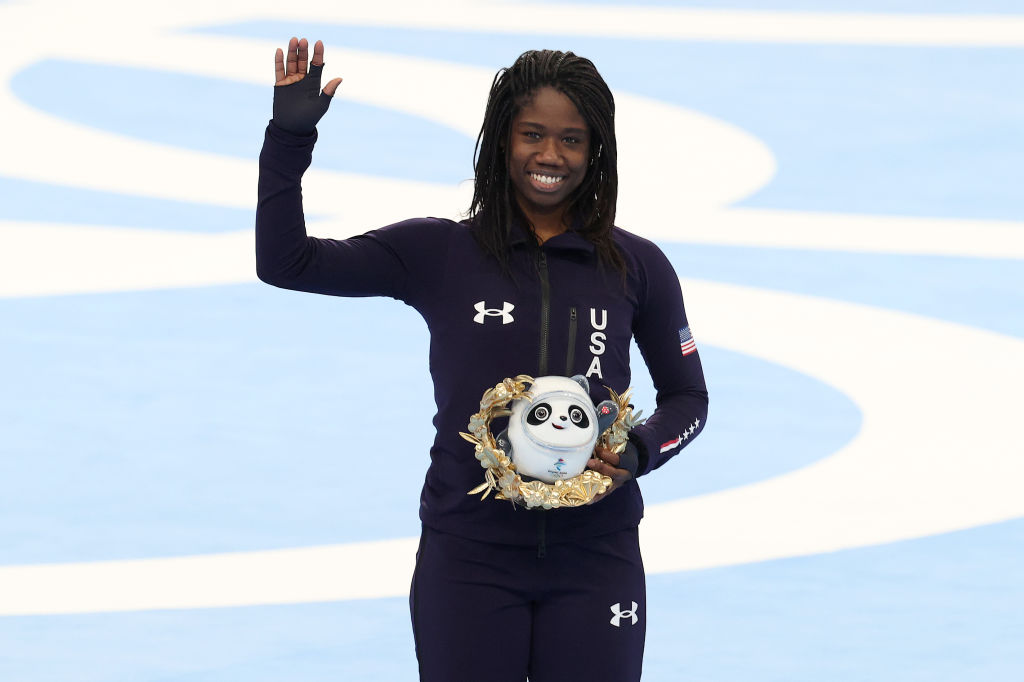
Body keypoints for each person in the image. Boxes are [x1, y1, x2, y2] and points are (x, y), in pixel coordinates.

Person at [256, 36, 708, 682]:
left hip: (596, 559)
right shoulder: (440, 254)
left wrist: (640, 451)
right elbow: (286, 262)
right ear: (503, 141)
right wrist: (288, 140)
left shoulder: (638, 268)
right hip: (469, 560)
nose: (550, 155)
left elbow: (690, 398)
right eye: (532, 134)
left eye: (571, 139)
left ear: (596, 150)